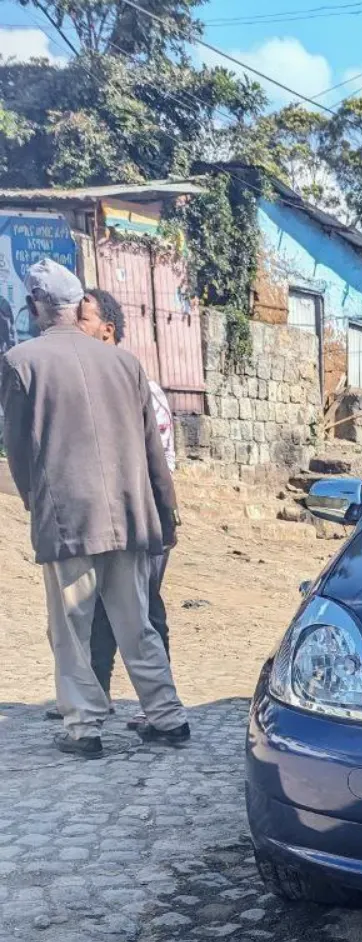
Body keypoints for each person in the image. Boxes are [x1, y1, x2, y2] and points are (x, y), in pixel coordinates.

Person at [0, 259, 190, 759]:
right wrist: (164, 512)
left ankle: (83, 727)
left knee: (71, 629)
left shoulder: (21, 361)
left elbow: (17, 452)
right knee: (135, 623)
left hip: (69, 519)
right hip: (129, 515)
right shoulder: (125, 364)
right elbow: (153, 452)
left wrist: (37, 504)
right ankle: (168, 717)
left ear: (36, 306)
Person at [76, 287, 174, 722]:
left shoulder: (138, 385)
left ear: (107, 330)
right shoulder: (91, 384)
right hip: (109, 516)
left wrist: (161, 520)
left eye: (82, 320)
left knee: (144, 609)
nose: (74, 330)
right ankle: (98, 694)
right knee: (100, 607)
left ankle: (162, 708)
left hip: (143, 517)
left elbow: (159, 463)